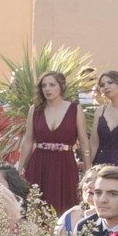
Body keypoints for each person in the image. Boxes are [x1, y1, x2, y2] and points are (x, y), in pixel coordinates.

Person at [19, 69, 85, 214]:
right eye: (44, 86)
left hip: (65, 164)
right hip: (39, 163)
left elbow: (84, 141)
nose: (47, 89)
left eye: (52, 85)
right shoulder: (34, 110)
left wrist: (88, 168)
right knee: (35, 206)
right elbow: (28, 140)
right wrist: (20, 167)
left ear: (61, 86)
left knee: (65, 206)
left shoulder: (75, 109)